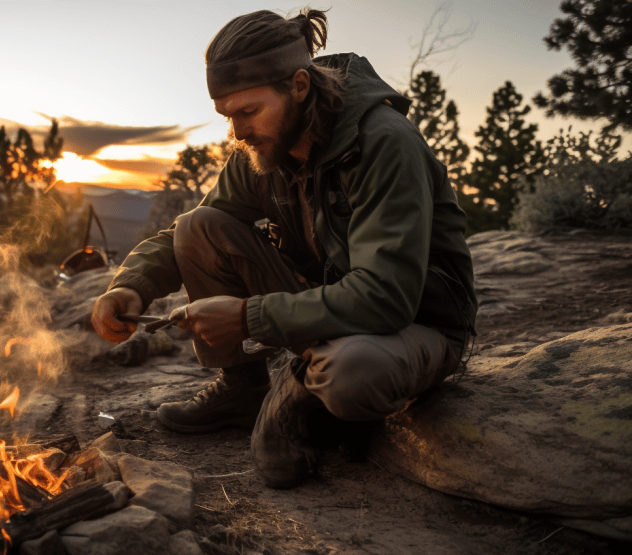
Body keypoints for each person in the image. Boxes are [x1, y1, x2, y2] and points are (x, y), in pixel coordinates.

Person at [90, 8, 477, 488]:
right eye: (228, 116)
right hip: (330, 303)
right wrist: (132, 287)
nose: (237, 132)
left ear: (299, 85)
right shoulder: (262, 153)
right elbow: (185, 236)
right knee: (200, 226)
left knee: (352, 373)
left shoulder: (383, 143)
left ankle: (310, 393)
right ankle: (243, 390)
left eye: (248, 112)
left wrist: (248, 316)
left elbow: (386, 296)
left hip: (416, 321)